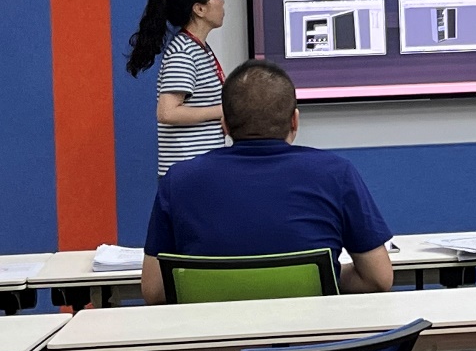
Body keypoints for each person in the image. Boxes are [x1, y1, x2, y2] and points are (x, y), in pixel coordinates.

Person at [140, 60, 394, 303]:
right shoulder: (337, 174)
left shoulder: (179, 180)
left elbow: (154, 290)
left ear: (224, 125)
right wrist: (325, 277)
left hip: (212, 331)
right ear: (294, 120)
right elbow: (378, 278)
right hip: (309, 331)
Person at [126, 0, 227, 176]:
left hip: (200, 169)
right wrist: (222, 111)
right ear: (199, 9)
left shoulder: (199, 49)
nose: (222, 2)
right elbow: (167, 113)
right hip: (188, 172)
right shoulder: (183, 52)